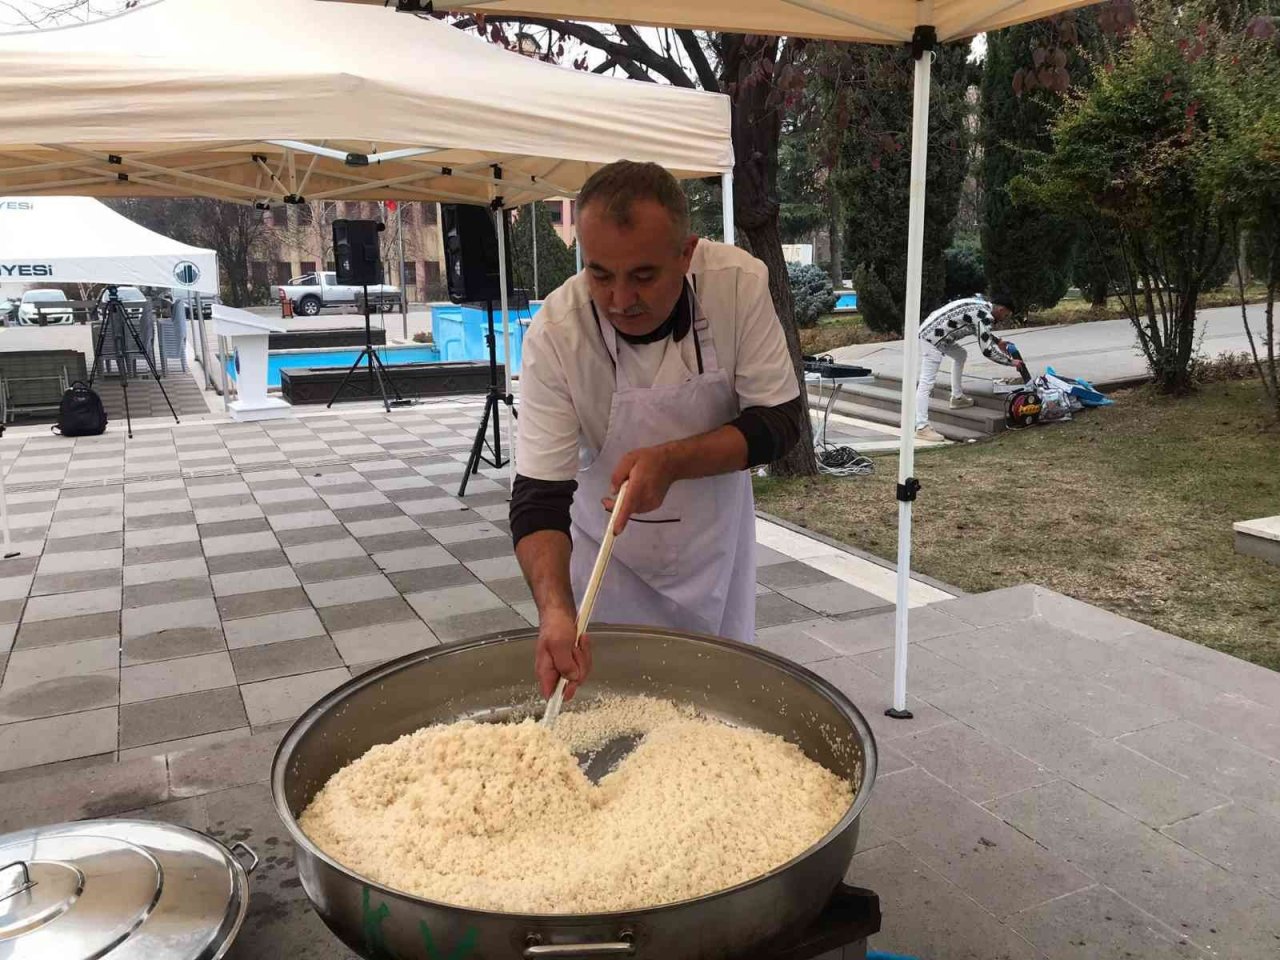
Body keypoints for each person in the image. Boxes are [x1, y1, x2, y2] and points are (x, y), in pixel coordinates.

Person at [510, 160, 805, 702]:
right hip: (608, 564)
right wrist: (554, 611)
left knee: (718, 701)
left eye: (643, 276)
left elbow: (781, 421)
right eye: (600, 275)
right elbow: (538, 496)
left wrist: (673, 462)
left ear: (686, 253)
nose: (621, 301)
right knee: (616, 706)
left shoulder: (736, 285)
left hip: (715, 548)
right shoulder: (557, 333)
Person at [914, 292, 1015, 442]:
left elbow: (978, 329)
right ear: (1001, 309)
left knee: (960, 355)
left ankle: (957, 398)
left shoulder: (981, 306)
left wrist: (998, 341)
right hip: (932, 339)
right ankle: (921, 426)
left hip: (932, 332)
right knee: (926, 383)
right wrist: (1011, 362)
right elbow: (987, 351)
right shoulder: (985, 316)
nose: (1004, 318)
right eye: (1006, 315)